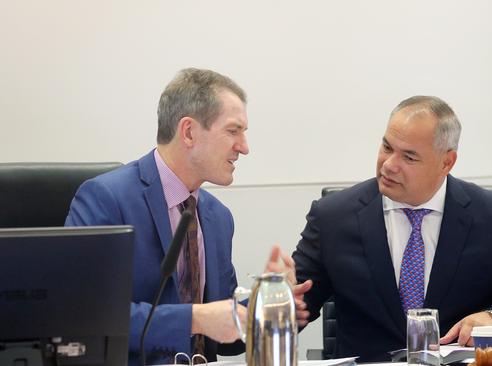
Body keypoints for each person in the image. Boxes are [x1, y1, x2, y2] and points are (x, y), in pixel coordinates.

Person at [65, 68, 311, 365]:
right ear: (189, 132)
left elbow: (223, 336)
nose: (244, 147)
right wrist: (195, 318)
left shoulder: (218, 218)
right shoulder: (107, 198)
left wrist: (268, 303)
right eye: (233, 131)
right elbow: (84, 314)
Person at [292, 95, 492, 361]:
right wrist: (279, 299)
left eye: (409, 157)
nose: (389, 164)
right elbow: (298, 305)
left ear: (446, 162)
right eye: (386, 147)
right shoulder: (332, 217)